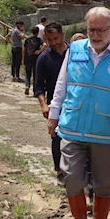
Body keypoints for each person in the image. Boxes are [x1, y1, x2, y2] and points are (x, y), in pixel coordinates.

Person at [47, 7, 110, 219]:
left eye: (100, 30)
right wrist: (54, 115)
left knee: (103, 184)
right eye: (91, 29)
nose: (95, 34)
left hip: (105, 129)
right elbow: (62, 85)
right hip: (73, 125)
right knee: (72, 179)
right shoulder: (74, 50)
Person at [35, 23, 69, 183]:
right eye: (49, 40)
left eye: (56, 38)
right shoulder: (43, 58)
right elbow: (39, 86)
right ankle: (59, 170)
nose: (53, 42)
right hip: (54, 104)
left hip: (75, 102)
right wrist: (43, 105)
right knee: (56, 137)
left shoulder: (74, 53)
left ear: (62, 35)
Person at [23, 26, 44, 96]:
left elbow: (24, 50)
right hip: (35, 59)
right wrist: (39, 51)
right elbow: (45, 45)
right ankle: (35, 91)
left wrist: (23, 59)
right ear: (38, 33)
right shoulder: (39, 40)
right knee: (35, 75)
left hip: (28, 58)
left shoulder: (27, 39)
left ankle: (27, 86)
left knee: (27, 74)